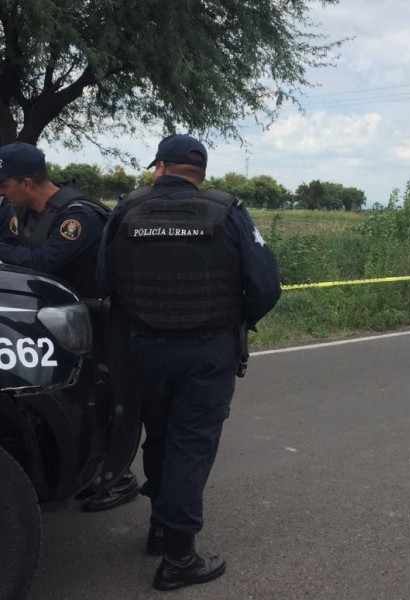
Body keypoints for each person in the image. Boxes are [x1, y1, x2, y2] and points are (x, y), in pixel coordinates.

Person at [97, 134, 281, 591]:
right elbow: (265, 286)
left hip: (142, 349)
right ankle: (179, 559)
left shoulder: (126, 209)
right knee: (191, 445)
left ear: (160, 167)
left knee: (159, 437)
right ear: (200, 173)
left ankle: (161, 531)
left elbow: (104, 280)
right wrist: (232, 320)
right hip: (207, 351)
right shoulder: (228, 210)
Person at [0, 142, 141, 512]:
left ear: (26, 183)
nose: (1, 192)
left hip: (101, 319)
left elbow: (40, 263)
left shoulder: (79, 215)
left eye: (5, 185)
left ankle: (117, 476)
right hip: (61, 320)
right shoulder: (25, 211)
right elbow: (18, 252)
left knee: (110, 399)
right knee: (71, 401)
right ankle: (79, 465)